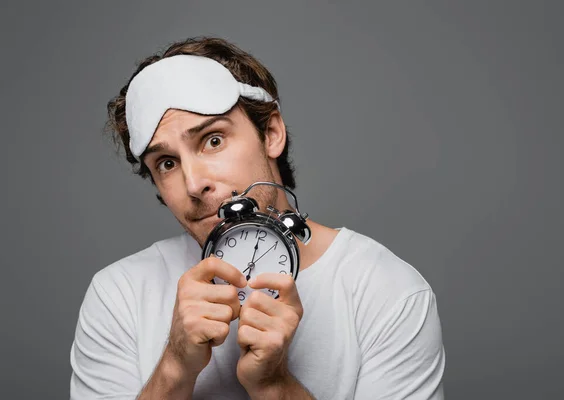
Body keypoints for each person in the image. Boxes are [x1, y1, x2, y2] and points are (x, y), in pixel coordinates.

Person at [69, 36, 446, 400]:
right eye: (166, 163)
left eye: (212, 140)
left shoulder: (389, 293)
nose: (194, 184)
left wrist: (274, 386)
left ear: (271, 132)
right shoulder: (118, 295)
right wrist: (173, 367)